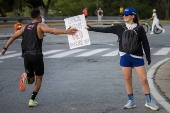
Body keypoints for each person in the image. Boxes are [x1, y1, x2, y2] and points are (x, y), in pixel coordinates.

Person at [86, 7, 159, 111]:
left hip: (137, 57)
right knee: (127, 79)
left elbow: (145, 43)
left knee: (143, 79)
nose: (124, 16)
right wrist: (91, 28)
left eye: (126, 15)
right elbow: (105, 30)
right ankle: (131, 101)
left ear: (132, 16)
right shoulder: (119, 27)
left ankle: (149, 101)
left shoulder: (140, 28)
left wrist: (148, 56)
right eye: (123, 15)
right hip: (125, 56)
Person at [1, 8, 77, 107]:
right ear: (39, 16)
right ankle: (32, 100)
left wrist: (4, 48)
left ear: (31, 17)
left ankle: (26, 78)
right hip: (36, 55)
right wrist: (66, 31)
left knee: (31, 80)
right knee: (39, 79)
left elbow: (13, 37)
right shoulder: (40, 25)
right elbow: (51, 31)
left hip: (26, 56)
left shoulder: (25, 27)